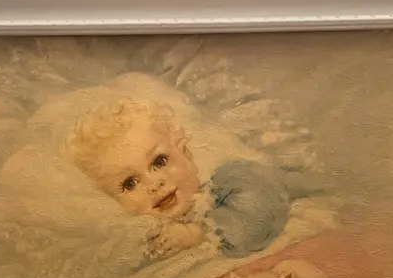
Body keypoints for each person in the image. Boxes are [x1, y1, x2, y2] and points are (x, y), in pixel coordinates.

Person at [66, 96, 308, 259]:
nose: (153, 184)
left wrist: (198, 232)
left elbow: (262, 213)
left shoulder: (229, 183)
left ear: (185, 153)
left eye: (159, 162)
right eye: (130, 183)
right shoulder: (148, 237)